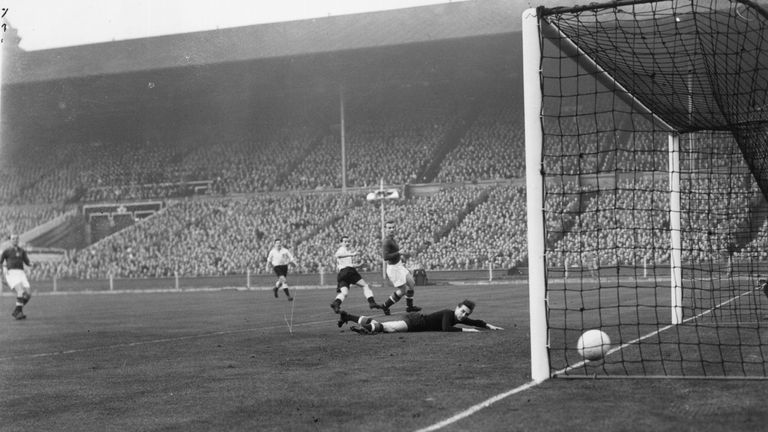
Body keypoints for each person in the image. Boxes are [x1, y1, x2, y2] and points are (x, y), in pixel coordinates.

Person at [336, 299, 503, 334]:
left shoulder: (458, 317)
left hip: (415, 322)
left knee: (384, 326)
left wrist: (489, 326)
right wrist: (468, 331)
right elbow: (446, 328)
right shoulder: (448, 313)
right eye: (462, 311)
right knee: (386, 328)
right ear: (456, 308)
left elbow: (476, 321)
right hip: (415, 322)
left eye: (466, 314)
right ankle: (364, 329)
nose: (463, 315)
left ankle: (348, 317)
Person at [330, 235, 383, 313]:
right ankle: (372, 303)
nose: (347, 243)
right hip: (348, 271)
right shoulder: (341, 249)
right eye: (345, 242)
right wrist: (352, 254)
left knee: (344, 293)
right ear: (341, 243)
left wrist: (359, 265)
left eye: (348, 241)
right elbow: (337, 255)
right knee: (365, 285)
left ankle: (336, 303)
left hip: (342, 273)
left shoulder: (346, 251)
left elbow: (347, 264)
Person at [380, 219, 420, 315]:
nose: (392, 229)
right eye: (389, 228)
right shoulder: (386, 242)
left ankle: (409, 307)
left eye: (393, 227)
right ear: (385, 229)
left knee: (411, 283)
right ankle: (385, 305)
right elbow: (385, 257)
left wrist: (402, 255)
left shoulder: (392, 239)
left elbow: (395, 254)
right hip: (394, 269)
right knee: (403, 291)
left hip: (399, 266)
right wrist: (398, 252)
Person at [1, 234, 34, 320]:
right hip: (12, 273)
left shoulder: (22, 251)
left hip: (21, 273)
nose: (15, 240)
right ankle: (18, 312)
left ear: (18, 240)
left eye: (16, 238)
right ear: (10, 240)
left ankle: (17, 311)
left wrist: (31, 264)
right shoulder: (6, 251)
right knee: (20, 291)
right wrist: (2, 273)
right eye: (13, 239)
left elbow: (27, 261)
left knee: (28, 294)